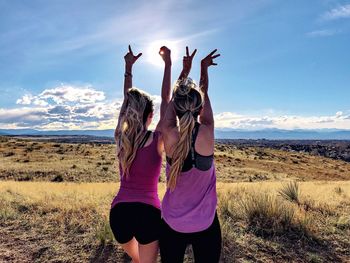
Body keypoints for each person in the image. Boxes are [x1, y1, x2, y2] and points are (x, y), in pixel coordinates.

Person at [109, 45, 172, 263]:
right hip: (148, 213)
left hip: (119, 214)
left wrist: (128, 67)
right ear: (151, 115)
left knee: (136, 260)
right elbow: (166, 100)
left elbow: (126, 103)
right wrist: (168, 64)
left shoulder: (123, 139)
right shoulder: (157, 139)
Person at [160, 47, 222, 263]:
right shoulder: (208, 132)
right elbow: (203, 93)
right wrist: (203, 70)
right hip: (205, 224)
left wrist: (184, 71)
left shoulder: (168, 135)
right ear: (200, 108)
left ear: (175, 109)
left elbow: (170, 101)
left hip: (172, 224)